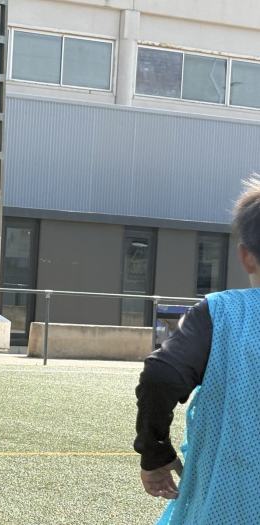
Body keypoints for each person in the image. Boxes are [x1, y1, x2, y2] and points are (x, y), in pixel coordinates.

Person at [134, 176, 260, 524]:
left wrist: (155, 451)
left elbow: (161, 375)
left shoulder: (222, 312)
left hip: (230, 504)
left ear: (245, 256)